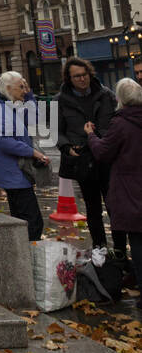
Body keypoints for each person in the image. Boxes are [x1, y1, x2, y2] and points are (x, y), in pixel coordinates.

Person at [57, 58, 122, 257]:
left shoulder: (106, 95)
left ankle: (119, 249)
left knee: (115, 205)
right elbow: (56, 131)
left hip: (107, 157)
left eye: (85, 75)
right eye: (77, 76)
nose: (82, 79)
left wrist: (106, 138)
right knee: (92, 207)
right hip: (82, 160)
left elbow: (118, 121)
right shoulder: (60, 100)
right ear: (69, 78)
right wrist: (67, 147)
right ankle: (99, 247)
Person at [89, 78, 142, 311]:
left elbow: (103, 152)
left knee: (137, 241)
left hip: (131, 188)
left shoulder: (120, 123)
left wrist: (91, 135)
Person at [0, 71, 49, 240]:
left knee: (23, 221)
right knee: (33, 223)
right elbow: (3, 141)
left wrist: (29, 96)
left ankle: (23, 258)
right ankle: (27, 259)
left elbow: (34, 118)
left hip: (17, 171)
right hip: (13, 172)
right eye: (20, 87)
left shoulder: (9, 103)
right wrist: (32, 152)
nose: (24, 89)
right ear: (8, 88)